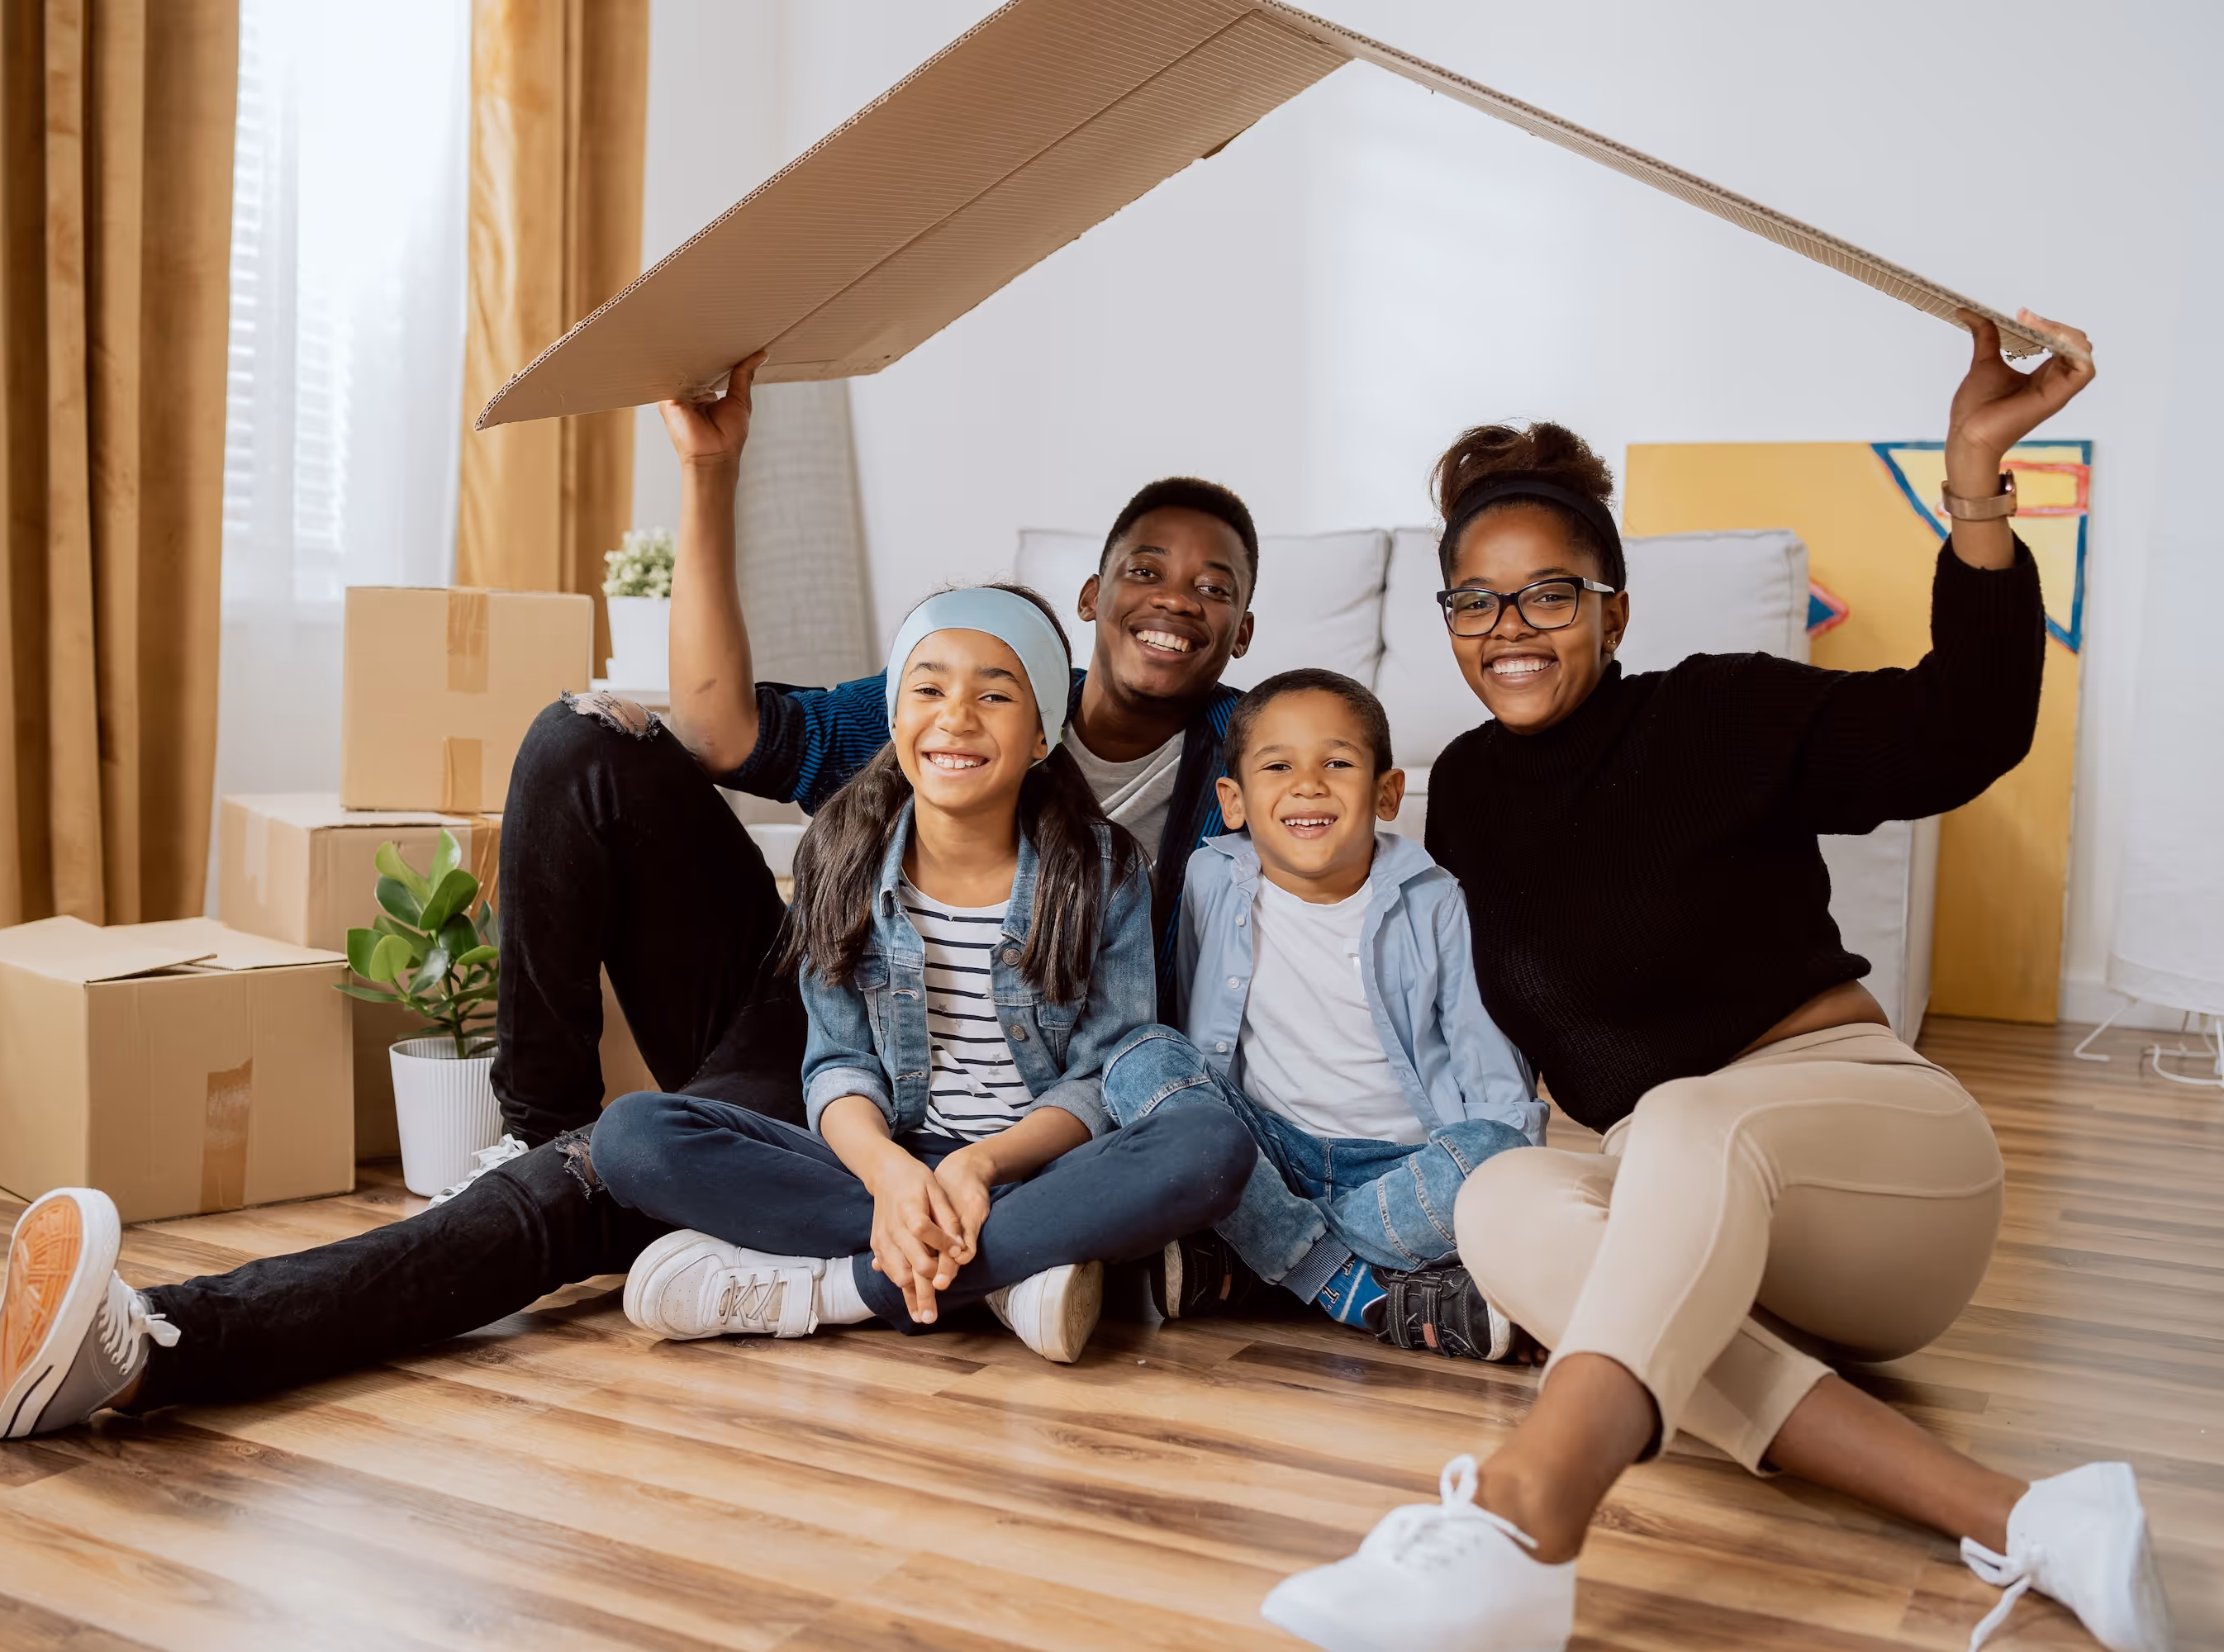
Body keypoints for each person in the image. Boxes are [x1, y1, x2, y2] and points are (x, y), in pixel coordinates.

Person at [0, 354, 1265, 1438]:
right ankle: (531, 1140)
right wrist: (709, 469)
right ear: (1094, 597)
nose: (1179, 604)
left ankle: (172, 1341)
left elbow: (1181, 1013)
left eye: (1217, 591)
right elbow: (720, 733)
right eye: (1152, 571)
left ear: (1242, 632)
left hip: (1005, 1109)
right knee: (582, 747)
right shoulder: (947, 688)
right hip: (837, 1039)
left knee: (615, 1188)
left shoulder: (1247, 765)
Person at [1262, 311, 2173, 1652]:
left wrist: (1976, 470)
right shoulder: (1455, 796)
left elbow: (1966, 727)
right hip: (1679, 1207)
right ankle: (2040, 1517)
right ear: (1448, 619)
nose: (1511, 626)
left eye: (1551, 592)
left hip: (1877, 1175)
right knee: (1502, 1197)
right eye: (1477, 599)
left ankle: (1523, 1520)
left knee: (1688, 1116)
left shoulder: (1720, 711)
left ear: (1613, 608)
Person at [592, 585, 1255, 1362]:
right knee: (634, 1137)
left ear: (1043, 734)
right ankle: (1009, 1273)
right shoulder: (842, 852)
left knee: (1210, 1144)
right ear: (897, 717)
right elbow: (837, 1065)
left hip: (1039, 1169)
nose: (956, 716)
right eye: (929, 688)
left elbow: (1099, 1079)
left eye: (995, 695)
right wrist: (894, 1178)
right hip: (892, 1158)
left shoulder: (1103, 869)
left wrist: (979, 1165)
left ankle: (838, 1292)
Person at [1137, 667, 1538, 1356]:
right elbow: (1195, 1029)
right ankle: (1378, 1284)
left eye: (1337, 762)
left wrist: (1507, 1173)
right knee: (1141, 1055)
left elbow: (1484, 1057)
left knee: (1500, 1154)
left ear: (1386, 792)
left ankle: (1271, 1263)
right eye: (1278, 765)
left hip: (1402, 1166)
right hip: (1264, 1154)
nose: (1308, 783)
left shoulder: (1434, 899)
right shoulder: (1211, 879)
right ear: (1232, 801)